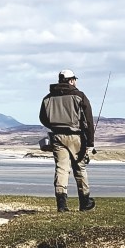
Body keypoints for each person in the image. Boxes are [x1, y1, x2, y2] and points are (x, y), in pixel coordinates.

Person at [39, 69, 96, 212]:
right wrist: (90, 142)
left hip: (57, 137)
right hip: (76, 136)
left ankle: (62, 205)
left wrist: (54, 126)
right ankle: (85, 202)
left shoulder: (47, 98)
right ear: (71, 80)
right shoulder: (79, 96)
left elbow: (43, 118)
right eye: (74, 79)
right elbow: (89, 121)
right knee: (80, 168)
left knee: (61, 169)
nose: (75, 82)